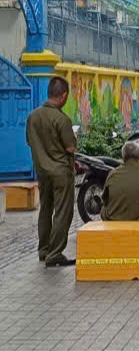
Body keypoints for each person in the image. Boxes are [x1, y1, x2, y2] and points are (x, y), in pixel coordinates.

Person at [26, 76, 77, 267]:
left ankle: (44, 250)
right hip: (61, 172)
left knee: (45, 210)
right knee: (63, 212)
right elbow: (71, 147)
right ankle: (55, 253)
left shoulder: (33, 117)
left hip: (42, 171)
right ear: (63, 96)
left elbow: (30, 141)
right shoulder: (62, 119)